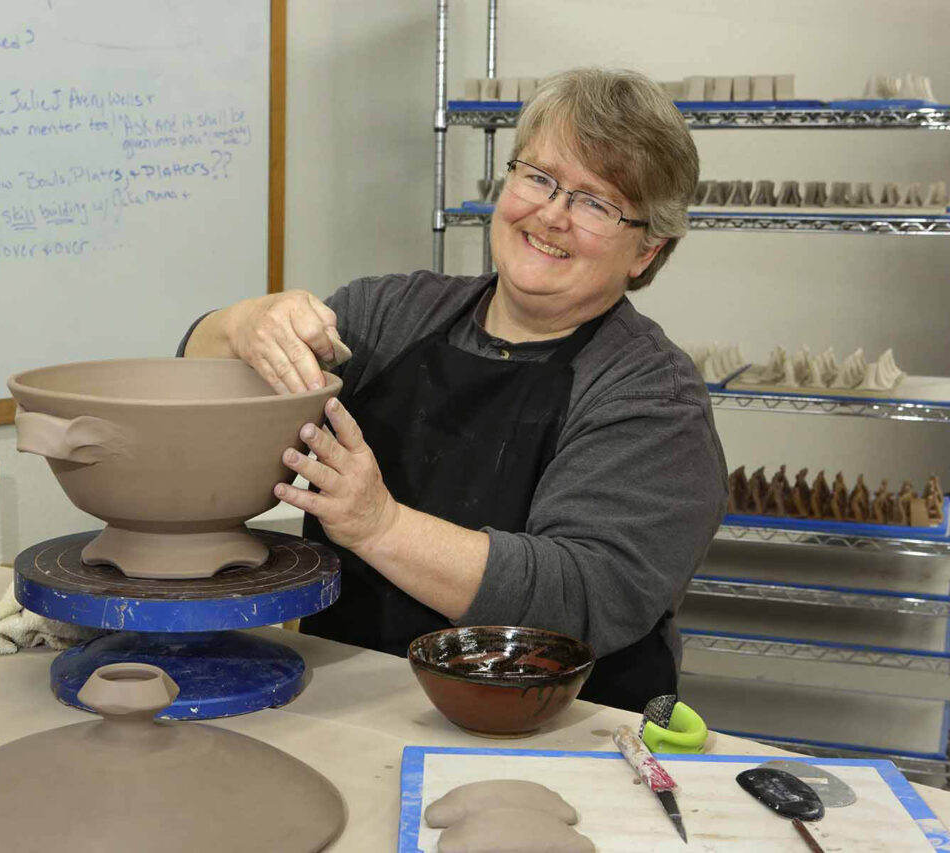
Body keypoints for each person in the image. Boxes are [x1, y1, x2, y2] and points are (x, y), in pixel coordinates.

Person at [180, 68, 727, 712]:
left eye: (595, 203)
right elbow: (207, 382)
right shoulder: (388, 315)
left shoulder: (652, 397)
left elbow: (580, 597)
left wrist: (378, 525)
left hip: (556, 728)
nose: (551, 215)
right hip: (356, 695)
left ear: (646, 250)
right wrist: (242, 324)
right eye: (539, 178)